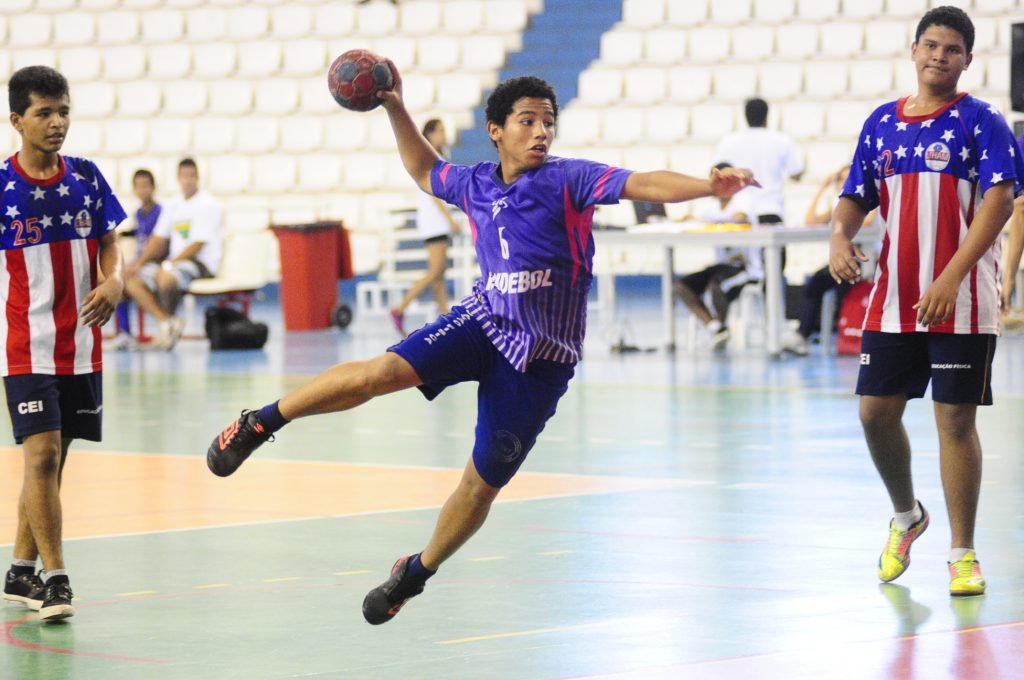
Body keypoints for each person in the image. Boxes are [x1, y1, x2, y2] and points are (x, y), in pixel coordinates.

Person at [206, 73, 756, 625]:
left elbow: (646, 183)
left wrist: (710, 188)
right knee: (381, 373)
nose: (541, 132)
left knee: (480, 486)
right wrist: (395, 107)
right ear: (496, 130)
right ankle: (259, 423)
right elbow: (424, 170)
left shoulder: (571, 179)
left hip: (542, 361)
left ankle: (414, 572)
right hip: (481, 322)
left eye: (548, 122)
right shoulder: (472, 183)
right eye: (527, 121)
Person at [828, 6, 1023, 597]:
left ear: (967, 60)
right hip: (893, 300)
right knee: (873, 414)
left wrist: (950, 276)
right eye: (931, 46)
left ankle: (962, 554)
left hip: (962, 300)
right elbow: (854, 194)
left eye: (953, 49)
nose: (940, 56)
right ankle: (907, 516)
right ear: (914, 51)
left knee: (954, 422)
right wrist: (838, 235)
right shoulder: (881, 124)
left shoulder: (982, 121)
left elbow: (1001, 202)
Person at [1, 66, 126, 621]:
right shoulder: (2, 189)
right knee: (43, 454)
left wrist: (114, 279)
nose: (57, 123)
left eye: (64, 111)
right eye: (44, 113)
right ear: (16, 121)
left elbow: (109, 241)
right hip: (25, 344)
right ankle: (57, 582)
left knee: (53, 461)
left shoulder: (87, 177)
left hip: (81, 343)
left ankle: (20, 570)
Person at [125, 158, 222, 350]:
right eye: (184, 176)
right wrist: (138, 264)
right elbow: (158, 238)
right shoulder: (173, 204)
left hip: (200, 263)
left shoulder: (207, 204)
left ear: (198, 178)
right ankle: (167, 322)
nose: (188, 181)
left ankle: (168, 324)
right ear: (178, 178)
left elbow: (198, 244)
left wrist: (171, 263)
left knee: (166, 277)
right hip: (175, 262)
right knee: (131, 279)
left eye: (191, 176)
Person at [784, 166, 878, 356]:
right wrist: (823, 188)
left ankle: (844, 331)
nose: (843, 183)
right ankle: (803, 335)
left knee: (841, 279)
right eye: (839, 180)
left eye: (847, 179)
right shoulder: (838, 209)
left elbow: (867, 223)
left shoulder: (869, 202)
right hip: (843, 260)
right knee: (816, 282)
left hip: (867, 262)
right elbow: (810, 221)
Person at [389, 118, 462, 336]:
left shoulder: (434, 157)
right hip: (435, 221)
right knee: (436, 270)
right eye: (440, 131)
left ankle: (444, 314)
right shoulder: (432, 158)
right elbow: (435, 194)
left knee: (439, 273)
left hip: (433, 221)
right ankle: (401, 307)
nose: (443, 135)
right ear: (429, 134)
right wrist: (449, 220)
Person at [674, 162, 758, 351]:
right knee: (682, 286)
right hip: (721, 265)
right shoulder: (711, 208)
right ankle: (715, 326)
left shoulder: (742, 200)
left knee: (716, 285)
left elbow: (740, 218)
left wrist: (713, 221)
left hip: (743, 267)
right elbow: (698, 219)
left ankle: (723, 325)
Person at [713, 97, 803, 226]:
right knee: (774, 246)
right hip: (770, 208)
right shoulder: (781, 140)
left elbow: (717, 171)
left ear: (745, 116)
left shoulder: (729, 141)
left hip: (740, 212)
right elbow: (796, 174)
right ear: (767, 116)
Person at [106, 168, 162, 351]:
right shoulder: (138, 213)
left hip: (155, 264)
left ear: (153, 188)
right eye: (138, 186)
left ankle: (164, 322)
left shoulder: (161, 212)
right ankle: (125, 333)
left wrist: (138, 265)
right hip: (140, 263)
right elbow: (138, 233)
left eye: (146, 186)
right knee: (117, 281)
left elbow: (158, 242)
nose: (142, 190)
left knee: (126, 278)